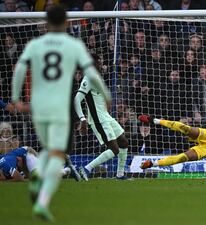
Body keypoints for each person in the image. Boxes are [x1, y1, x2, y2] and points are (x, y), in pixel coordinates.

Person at [11, 5, 111, 221]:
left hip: (39, 105)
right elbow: (92, 73)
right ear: (66, 23)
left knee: (51, 148)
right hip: (58, 105)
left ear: (46, 23)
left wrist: (16, 99)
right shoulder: (72, 45)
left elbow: (19, 68)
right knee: (57, 152)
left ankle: (39, 176)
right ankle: (42, 196)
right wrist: (106, 94)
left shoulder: (36, 44)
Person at [74, 53, 129, 181]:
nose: (101, 64)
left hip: (106, 117)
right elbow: (77, 100)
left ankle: (120, 174)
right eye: (99, 62)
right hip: (98, 119)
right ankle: (86, 168)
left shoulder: (97, 77)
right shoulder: (88, 78)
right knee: (114, 149)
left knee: (124, 142)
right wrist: (83, 119)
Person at [0, 146, 81, 182]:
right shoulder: (3, 165)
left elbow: (19, 178)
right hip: (24, 159)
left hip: (27, 154)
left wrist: (5, 182)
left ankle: (65, 165)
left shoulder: (5, 165)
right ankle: (66, 168)